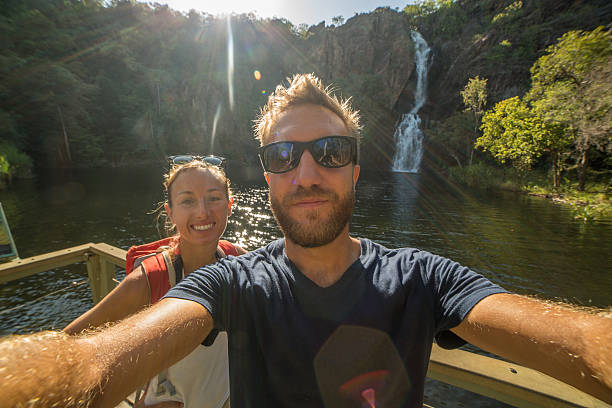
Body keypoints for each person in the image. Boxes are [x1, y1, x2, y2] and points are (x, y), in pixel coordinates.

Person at [1, 74, 611, 408]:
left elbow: (583, 341)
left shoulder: (425, 276)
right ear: (267, 175)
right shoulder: (232, 280)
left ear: (354, 169)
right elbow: (90, 366)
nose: (308, 172)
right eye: (284, 155)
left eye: (331, 152)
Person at [63, 156, 247, 408]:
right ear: (170, 212)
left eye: (214, 197)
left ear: (229, 205)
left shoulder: (238, 260)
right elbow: (68, 344)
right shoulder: (151, 279)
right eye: (187, 201)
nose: (202, 211)